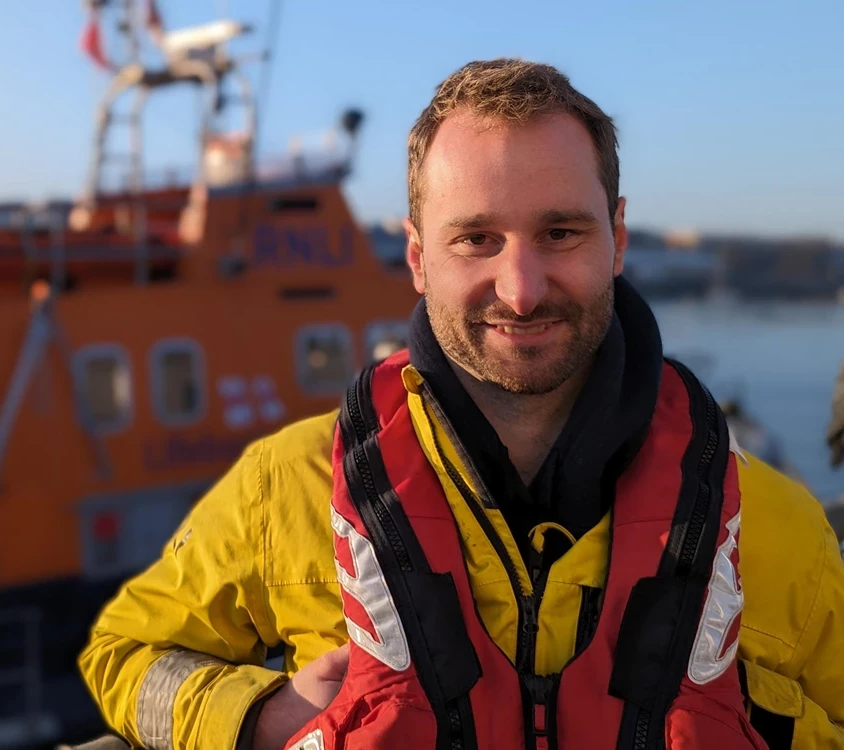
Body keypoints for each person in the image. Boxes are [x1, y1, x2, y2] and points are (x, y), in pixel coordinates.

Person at [78, 59, 844, 749]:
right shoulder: (285, 488)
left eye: (561, 232)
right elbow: (122, 656)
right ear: (417, 258)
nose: (521, 290)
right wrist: (252, 716)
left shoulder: (783, 533)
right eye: (476, 238)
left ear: (616, 238)